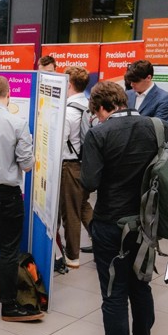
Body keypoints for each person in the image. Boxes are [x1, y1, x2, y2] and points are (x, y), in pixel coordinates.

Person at [77, 81, 168, 335]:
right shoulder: (158, 126)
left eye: (96, 112)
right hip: (147, 222)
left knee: (114, 293)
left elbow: (90, 181)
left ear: (101, 108)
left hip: (112, 224)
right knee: (141, 286)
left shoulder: (99, 133)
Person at [0, 76, 42, 322]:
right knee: (8, 249)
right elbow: (27, 165)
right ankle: (8, 305)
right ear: (9, 94)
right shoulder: (17, 122)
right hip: (7, 193)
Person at [59, 66, 94, 268]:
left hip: (70, 167)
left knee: (70, 211)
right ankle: (102, 242)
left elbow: (59, 143)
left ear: (69, 84)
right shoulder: (90, 106)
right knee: (83, 206)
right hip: (87, 165)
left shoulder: (68, 112)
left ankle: (72, 256)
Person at [124, 59, 168, 128]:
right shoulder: (127, 94)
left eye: (136, 81)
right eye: (130, 81)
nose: (131, 84)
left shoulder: (164, 98)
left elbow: (157, 127)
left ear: (148, 78)